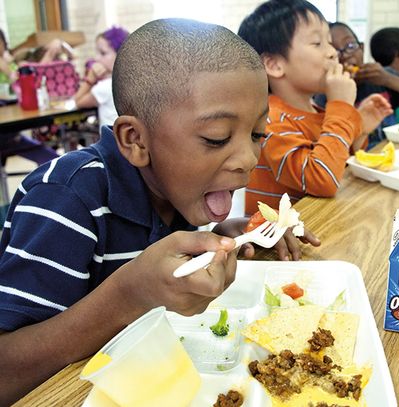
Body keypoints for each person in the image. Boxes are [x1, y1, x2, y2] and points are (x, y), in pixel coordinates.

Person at [0, 18, 320, 404]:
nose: (249, 158)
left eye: (257, 134)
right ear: (135, 140)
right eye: (216, 138)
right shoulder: (66, 200)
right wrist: (128, 297)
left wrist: (230, 237)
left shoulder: (175, 189)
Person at [238, 0, 393, 215]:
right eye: (317, 43)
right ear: (274, 65)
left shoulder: (316, 112)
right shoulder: (272, 121)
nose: (332, 53)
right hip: (278, 243)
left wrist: (359, 127)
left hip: (324, 225)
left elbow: (340, 165)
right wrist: (340, 107)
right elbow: (322, 178)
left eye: (329, 42)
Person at [318, 22, 399, 147]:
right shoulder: (324, 95)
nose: (345, 55)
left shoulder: (380, 77)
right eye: (335, 51)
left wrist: (387, 79)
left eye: (350, 46)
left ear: (361, 48)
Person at [74, 26, 130, 127]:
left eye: (103, 53)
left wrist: (90, 78)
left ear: (121, 55)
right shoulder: (131, 81)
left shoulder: (107, 86)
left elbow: (78, 102)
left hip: (111, 142)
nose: (96, 58)